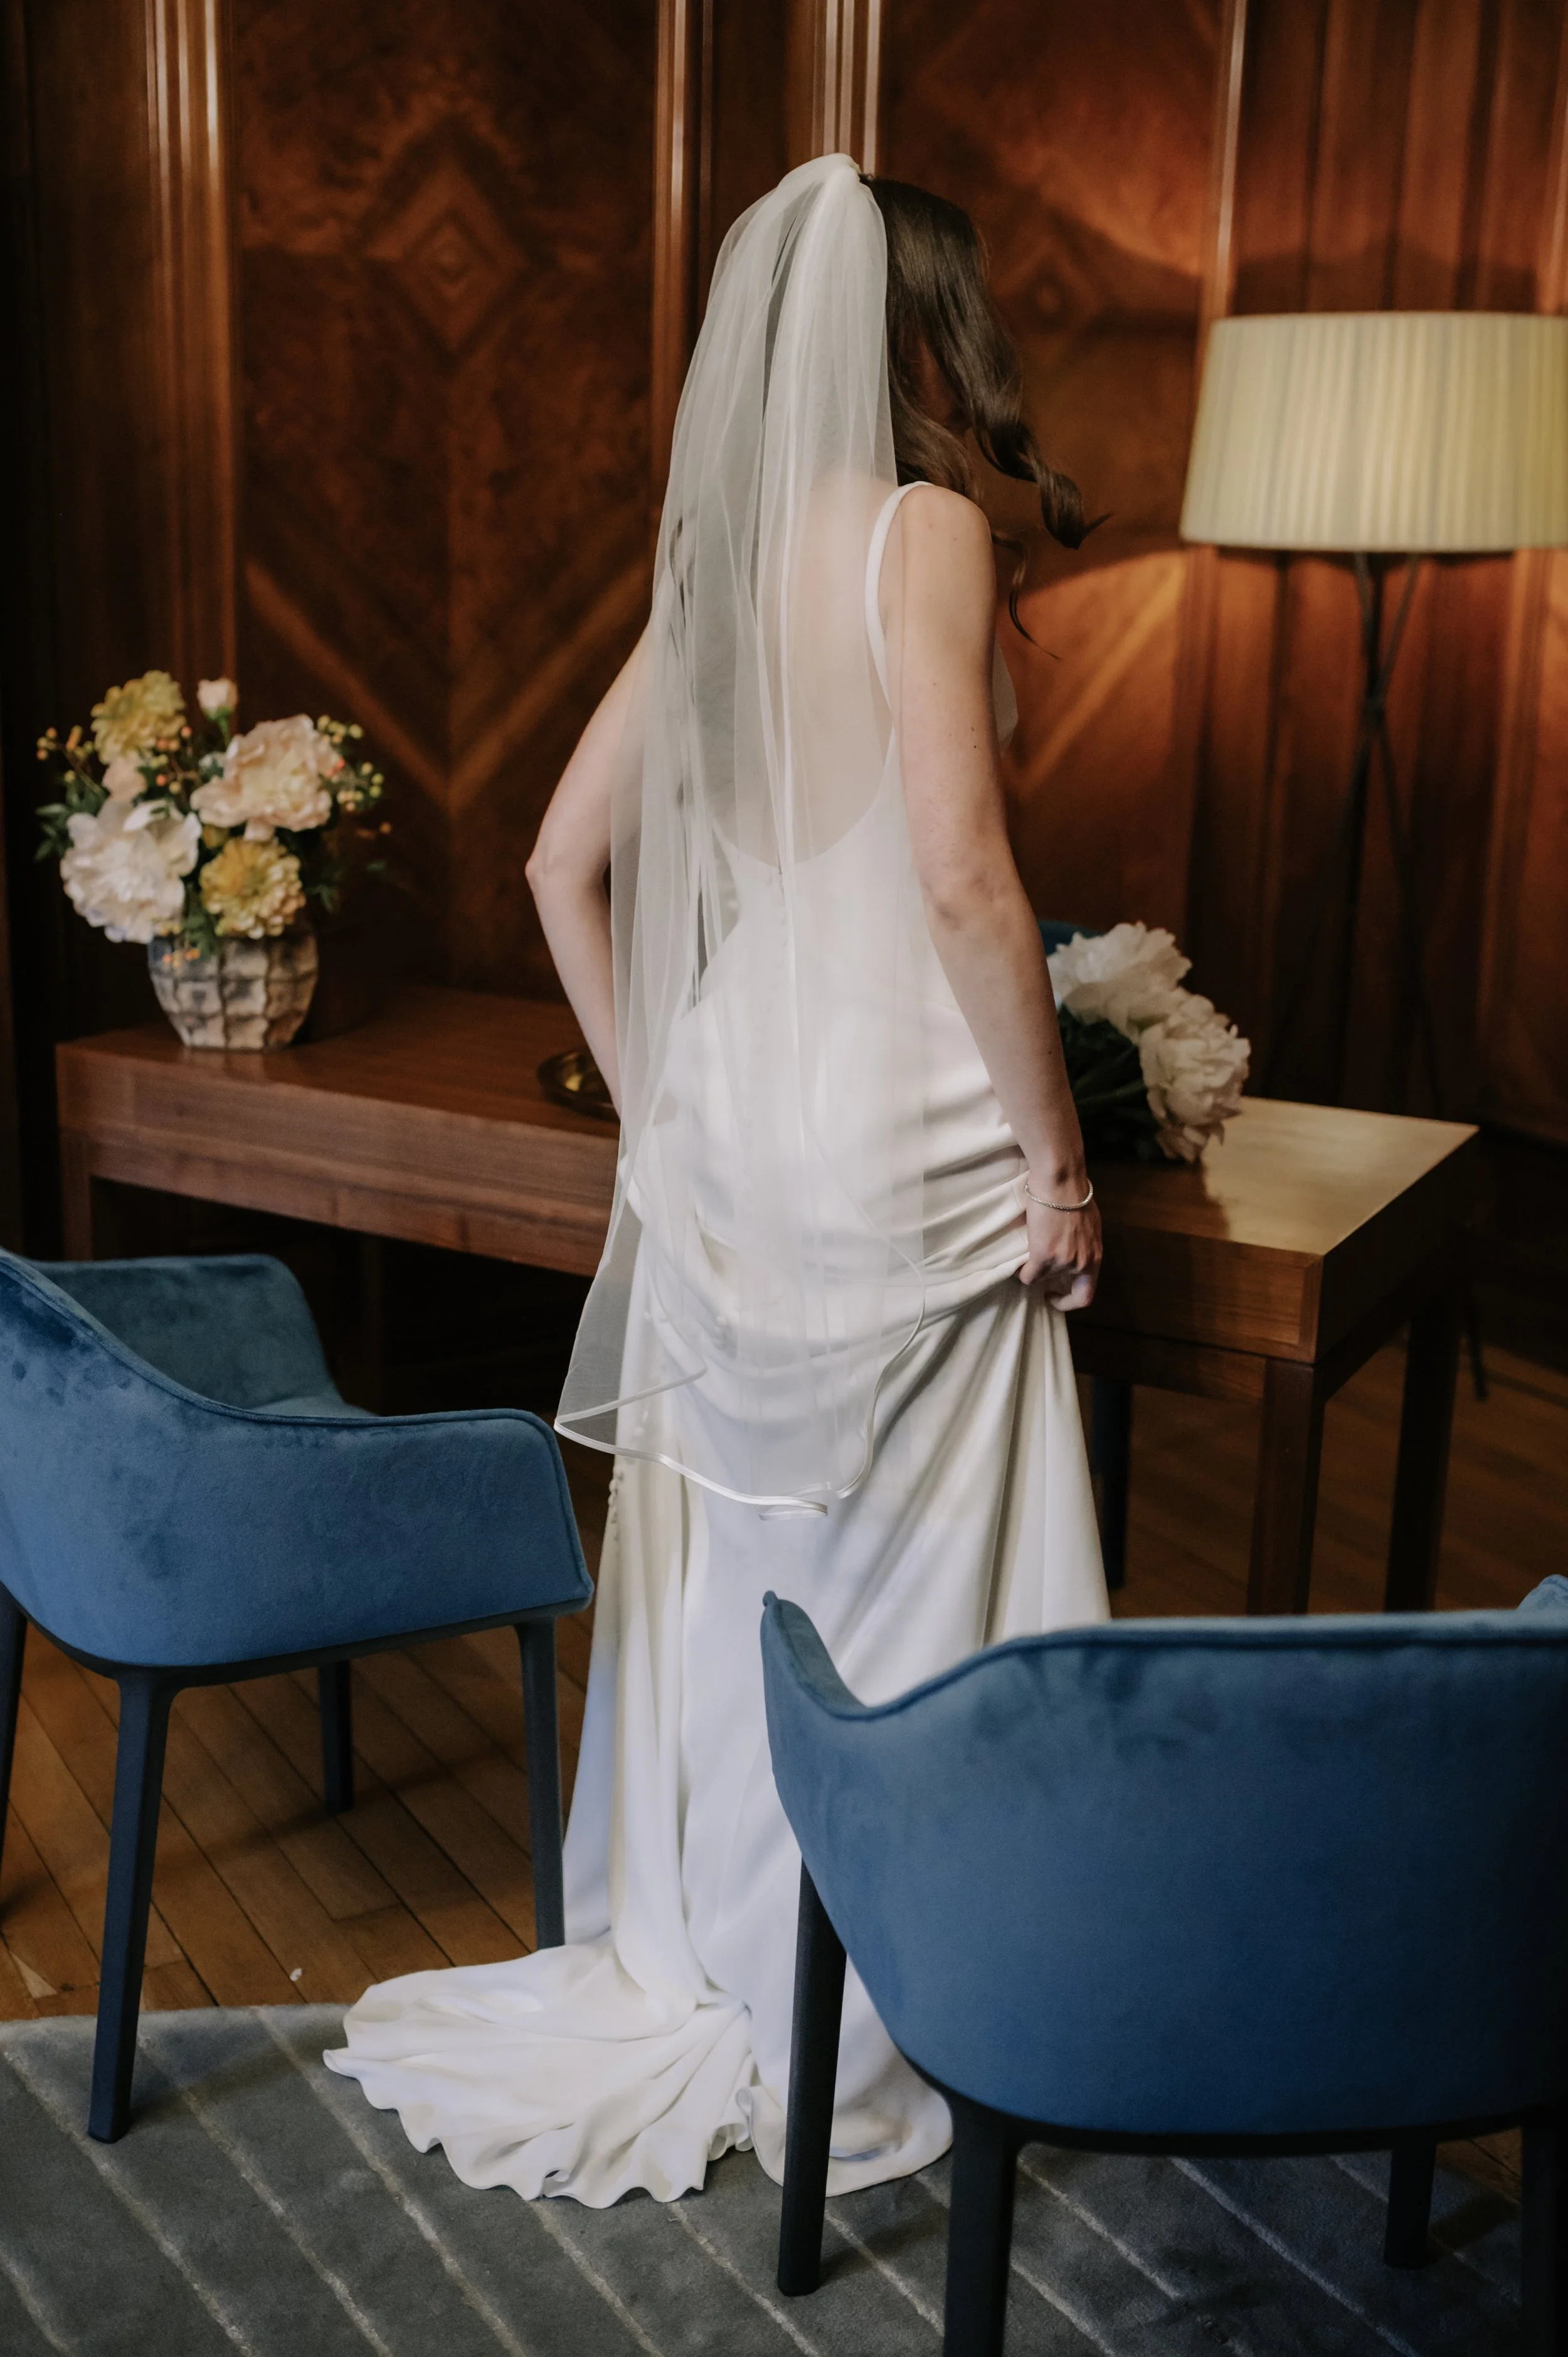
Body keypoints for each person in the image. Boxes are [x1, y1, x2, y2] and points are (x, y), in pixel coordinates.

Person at [327, 156, 1107, 2207]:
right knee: (905, 1570)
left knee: (740, 1562)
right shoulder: (924, 533)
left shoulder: (728, 562)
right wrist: (1054, 1150)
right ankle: (910, 1985)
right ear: (916, 333)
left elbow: (552, 865)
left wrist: (670, 1094)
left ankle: (698, 1948)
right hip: (900, 1127)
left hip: (738, 1118)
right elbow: (957, 870)